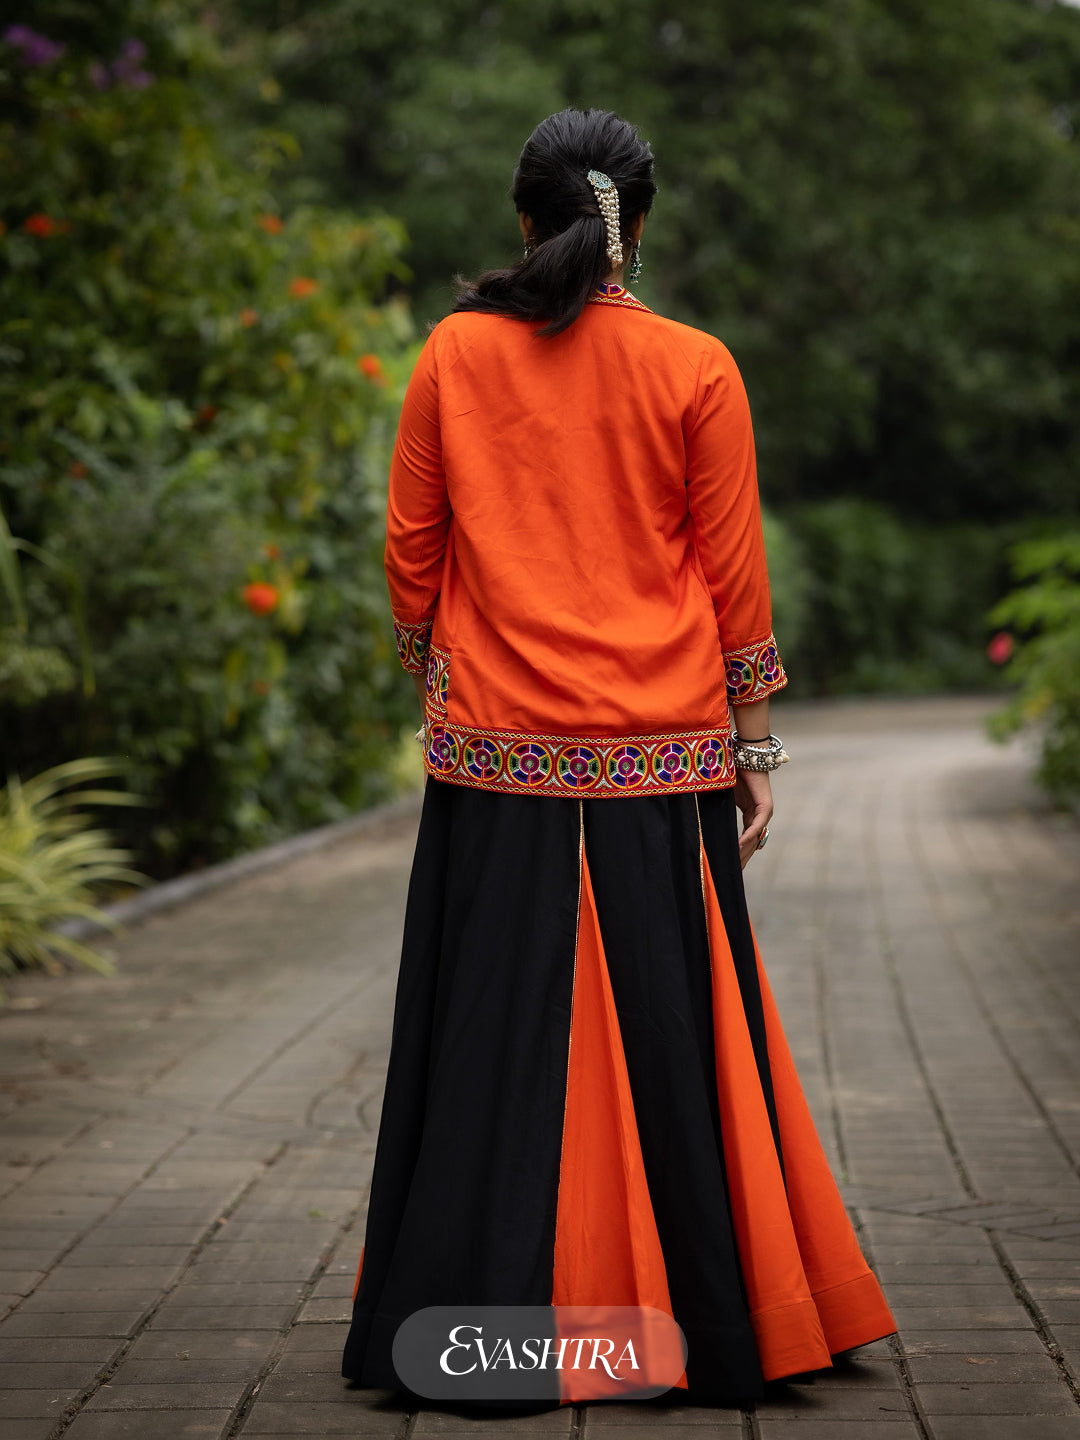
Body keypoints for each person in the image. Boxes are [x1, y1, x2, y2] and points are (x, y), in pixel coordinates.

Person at [341, 106, 897, 1409]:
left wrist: (461, 686)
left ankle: (471, 1330)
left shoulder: (453, 356)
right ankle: (708, 1320)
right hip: (662, 754)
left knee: (486, 1035)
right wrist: (755, 741)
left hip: (497, 763)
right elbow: (732, 575)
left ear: (523, 223)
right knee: (678, 1032)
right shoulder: (698, 367)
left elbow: (412, 563)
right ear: (634, 228)